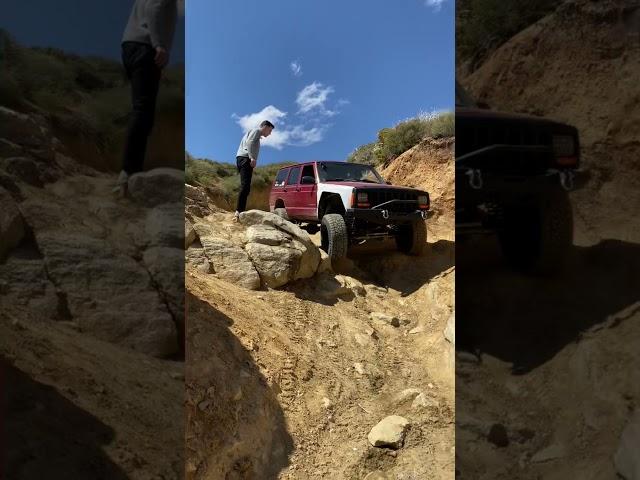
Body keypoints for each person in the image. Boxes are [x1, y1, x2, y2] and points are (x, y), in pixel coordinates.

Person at [114, 0, 179, 196]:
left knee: (141, 109)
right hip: (145, 45)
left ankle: (130, 170)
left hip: (132, 45)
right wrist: (159, 44)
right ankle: (129, 173)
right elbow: (154, 9)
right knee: (143, 111)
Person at [233, 120, 275, 220]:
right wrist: (252, 157)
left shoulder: (255, 133)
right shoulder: (256, 131)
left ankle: (239, 211)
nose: (270, 133)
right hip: (245, 159)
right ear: (264, 126)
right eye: (269, 130)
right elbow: (250, 142)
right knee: (245, 186)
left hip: (241, 158)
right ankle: (239, 212)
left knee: (245, 186)